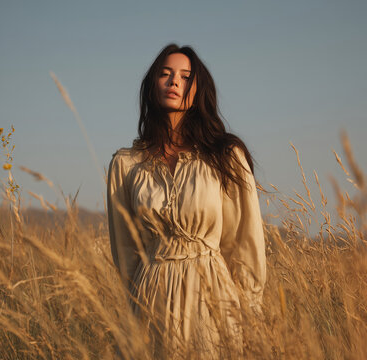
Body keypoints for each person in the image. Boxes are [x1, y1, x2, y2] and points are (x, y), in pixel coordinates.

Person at [107, 43, 266, 357]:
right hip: (150, 298)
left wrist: (251, 316)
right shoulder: (126, 165)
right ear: (152, 85)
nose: (174, 82)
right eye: (165, 74)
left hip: (212, 296)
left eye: (184, 76)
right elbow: (126, 253)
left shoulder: (224, 157)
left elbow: (244, 242)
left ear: (198, 89)